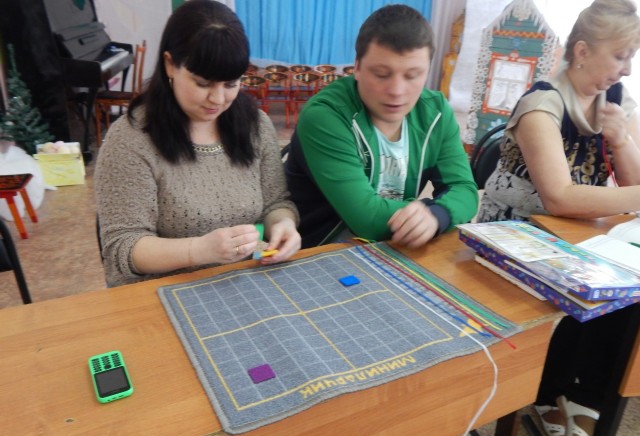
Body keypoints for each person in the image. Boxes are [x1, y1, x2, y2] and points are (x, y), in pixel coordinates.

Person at [476, 0, 640, 436]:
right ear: (582, 51)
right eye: (620, 56)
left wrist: (621, 139)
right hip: (516, 233)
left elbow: (631, 191)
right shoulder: (542, 104)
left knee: (628, 296)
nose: (627, 69)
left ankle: (583, 400)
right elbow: (560, 197)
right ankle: (549, 395)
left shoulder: (615, 100)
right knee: (581, 293)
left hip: (574, 235)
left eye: (631, 57)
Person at [95, 0, 300, 287]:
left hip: (242, 282)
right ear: (170, 64)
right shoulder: (131, 139)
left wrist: (283, 225)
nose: (218, 99)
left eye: (231, 84)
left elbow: (276, 202)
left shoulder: (255, 125)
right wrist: (200, 250)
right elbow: (123, 246)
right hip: (164, 291)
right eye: (203, 84)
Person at [284, 4, 478, 249]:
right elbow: (368, 219)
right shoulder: (326, 116)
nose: (397, 91)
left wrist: (437, 214)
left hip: (392, 248)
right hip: (320, 251)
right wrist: (430, 212)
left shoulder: (435, 114)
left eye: (412, 75)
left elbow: (465, 190)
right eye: (381, 74)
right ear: (357, 67)